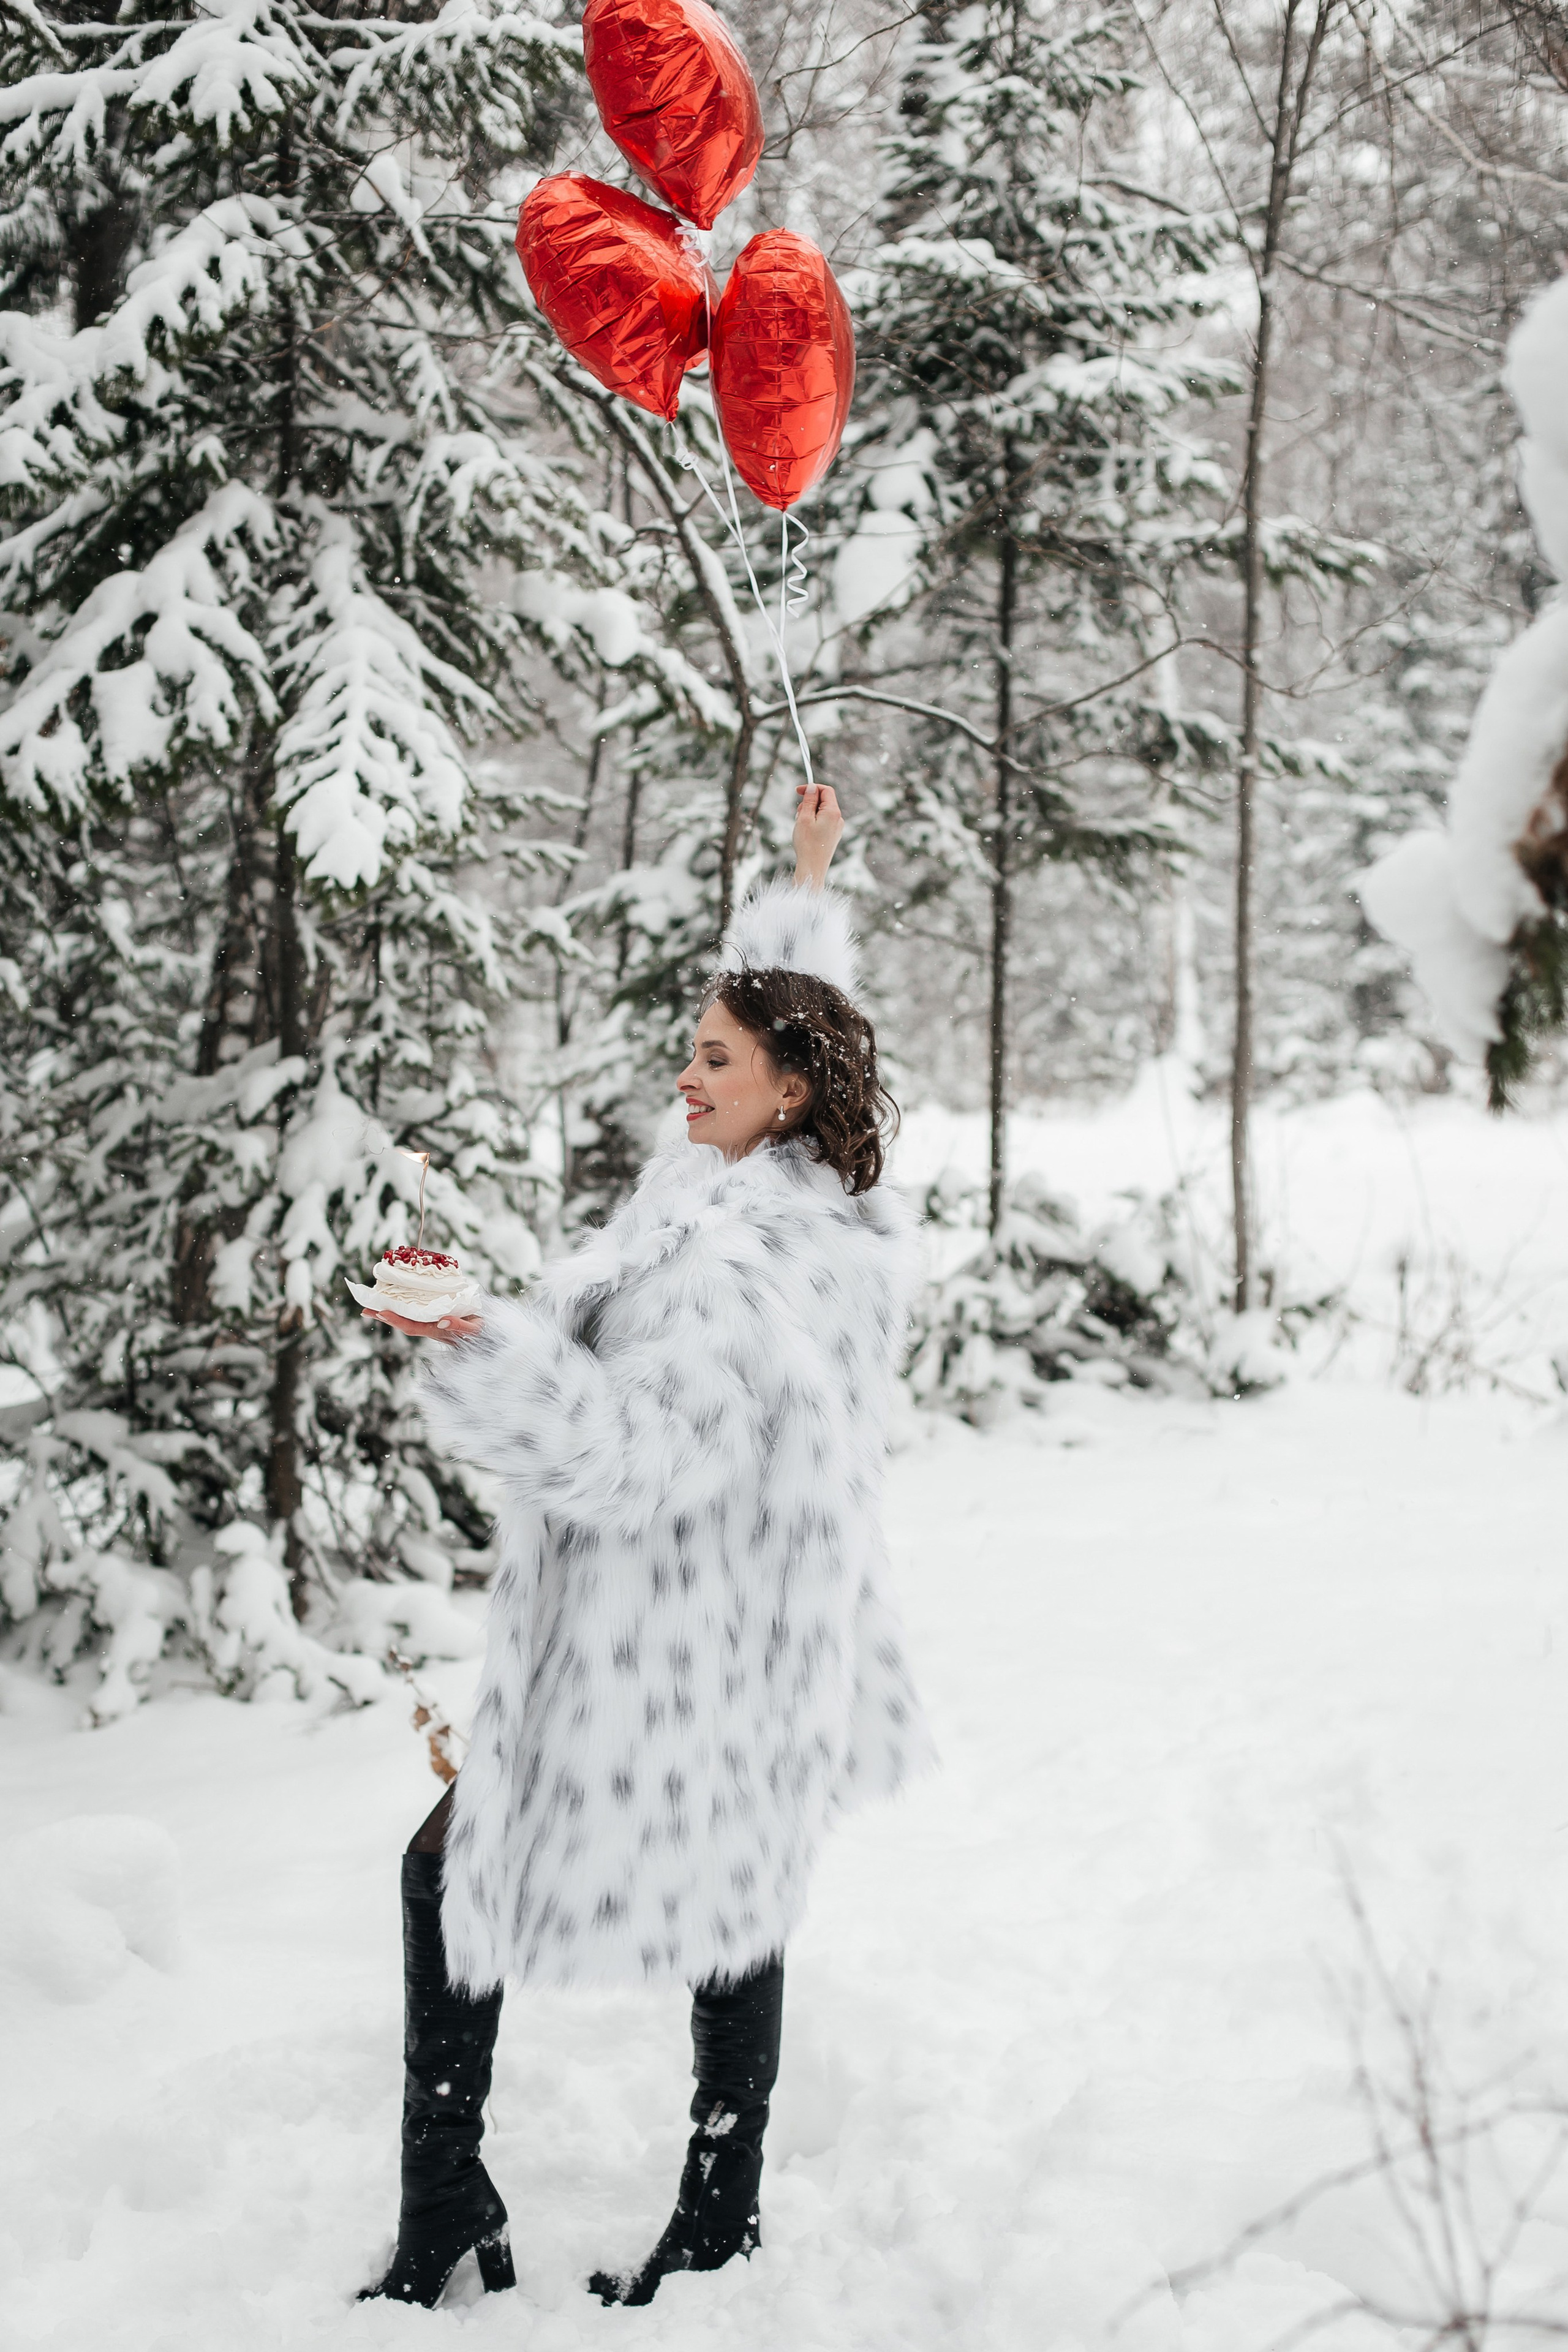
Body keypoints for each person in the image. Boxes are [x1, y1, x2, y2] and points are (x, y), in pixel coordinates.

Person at [358, 783, 931, 2310]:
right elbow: (804, 1014)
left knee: (466, 1873)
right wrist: (802, 890)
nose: (683, 1080)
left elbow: (626, 1454)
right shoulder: (760, 1182)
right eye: (691, 1049)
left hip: (674, 1647)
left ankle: (487, 2201)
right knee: (727, 1904)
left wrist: (476, 1337)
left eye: (711, 1059)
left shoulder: (749, 1269)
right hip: (730, 1638)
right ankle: (664, 2202)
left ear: (788, 1093)